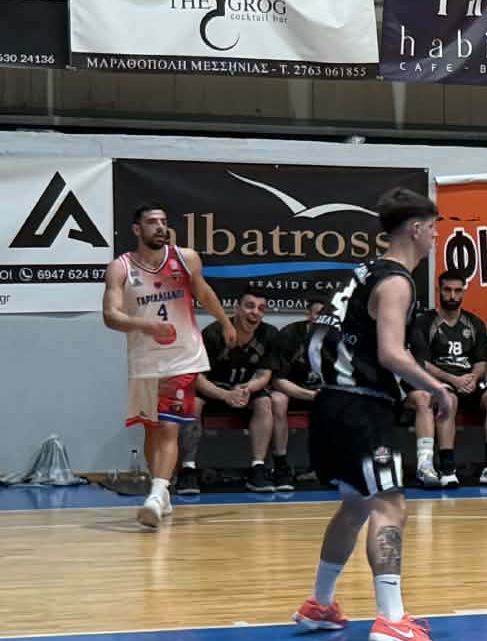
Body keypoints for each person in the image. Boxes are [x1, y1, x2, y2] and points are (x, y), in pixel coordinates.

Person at [292, 189, 457, 641]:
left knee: (356, 506)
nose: (436, 235)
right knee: (390, 505)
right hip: (362, 408)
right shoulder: (396, 282)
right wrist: (437, 388)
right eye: (434, 226)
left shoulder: (364, 272)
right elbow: (390, 353)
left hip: (330, 405)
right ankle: (392, 619)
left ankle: (320, 604)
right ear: (416, 229)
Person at [102, 203, 232, 529]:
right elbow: (110, 316)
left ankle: (156, 495)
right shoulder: (120, 267)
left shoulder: (185, 259)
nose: (160, 227)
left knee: (168, 426)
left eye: (163, 221)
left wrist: (225, 322)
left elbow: (204, 293)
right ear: (137, 230)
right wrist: (146, 326)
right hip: (145, 361)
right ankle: (161, 487)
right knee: (152, 429)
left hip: (183, 357)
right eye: (152, 222)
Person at [406, 271, 487, 486]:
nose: (452, 295)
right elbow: (422, 363)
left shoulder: (474, 323)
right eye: (447, 290)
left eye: (457, 291)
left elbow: (482, 362)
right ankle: (447, 468)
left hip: (468, 380)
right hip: (440, 381)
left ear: (463, 292)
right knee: (448, 399)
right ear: (439, 290)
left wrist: (473, 378)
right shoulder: (424, 322)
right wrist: (453, 380)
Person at [198, 287, 283, 490]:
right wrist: (224, 394)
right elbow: (197, 378)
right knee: (191, 404)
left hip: (245, 390)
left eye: (261, 308)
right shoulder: (212, 333)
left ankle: (258, 468)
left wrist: (248, 388)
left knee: (265, 402)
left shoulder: (270, 334)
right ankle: (188, 469)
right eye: (250, 306)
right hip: (214, 390)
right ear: (236, 308)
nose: (255, 312)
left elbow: (264, 375)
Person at [263, 298, 326, 487]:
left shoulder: (338, 337)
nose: (323, 319)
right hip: (292, 390)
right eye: (318, 314)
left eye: (328, 315)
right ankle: (280, 464)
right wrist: (311, 395)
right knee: (277, 400)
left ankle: (331, 466)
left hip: (323, 393)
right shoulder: (290, 334)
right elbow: (278, 380)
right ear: (308, 314)